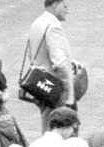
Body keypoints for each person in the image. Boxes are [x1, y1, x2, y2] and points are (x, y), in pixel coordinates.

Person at [27, 0, 77, 131]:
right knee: (60, 132)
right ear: (55, 5)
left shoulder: (37, 23)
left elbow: (33, 55)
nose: (67, 9)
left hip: (40, 86)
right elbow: (59, 64)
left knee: (47, 126)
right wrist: (66, 89)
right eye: (64, 6)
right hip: (55, 91)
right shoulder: (53, 27)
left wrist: (70, 63)